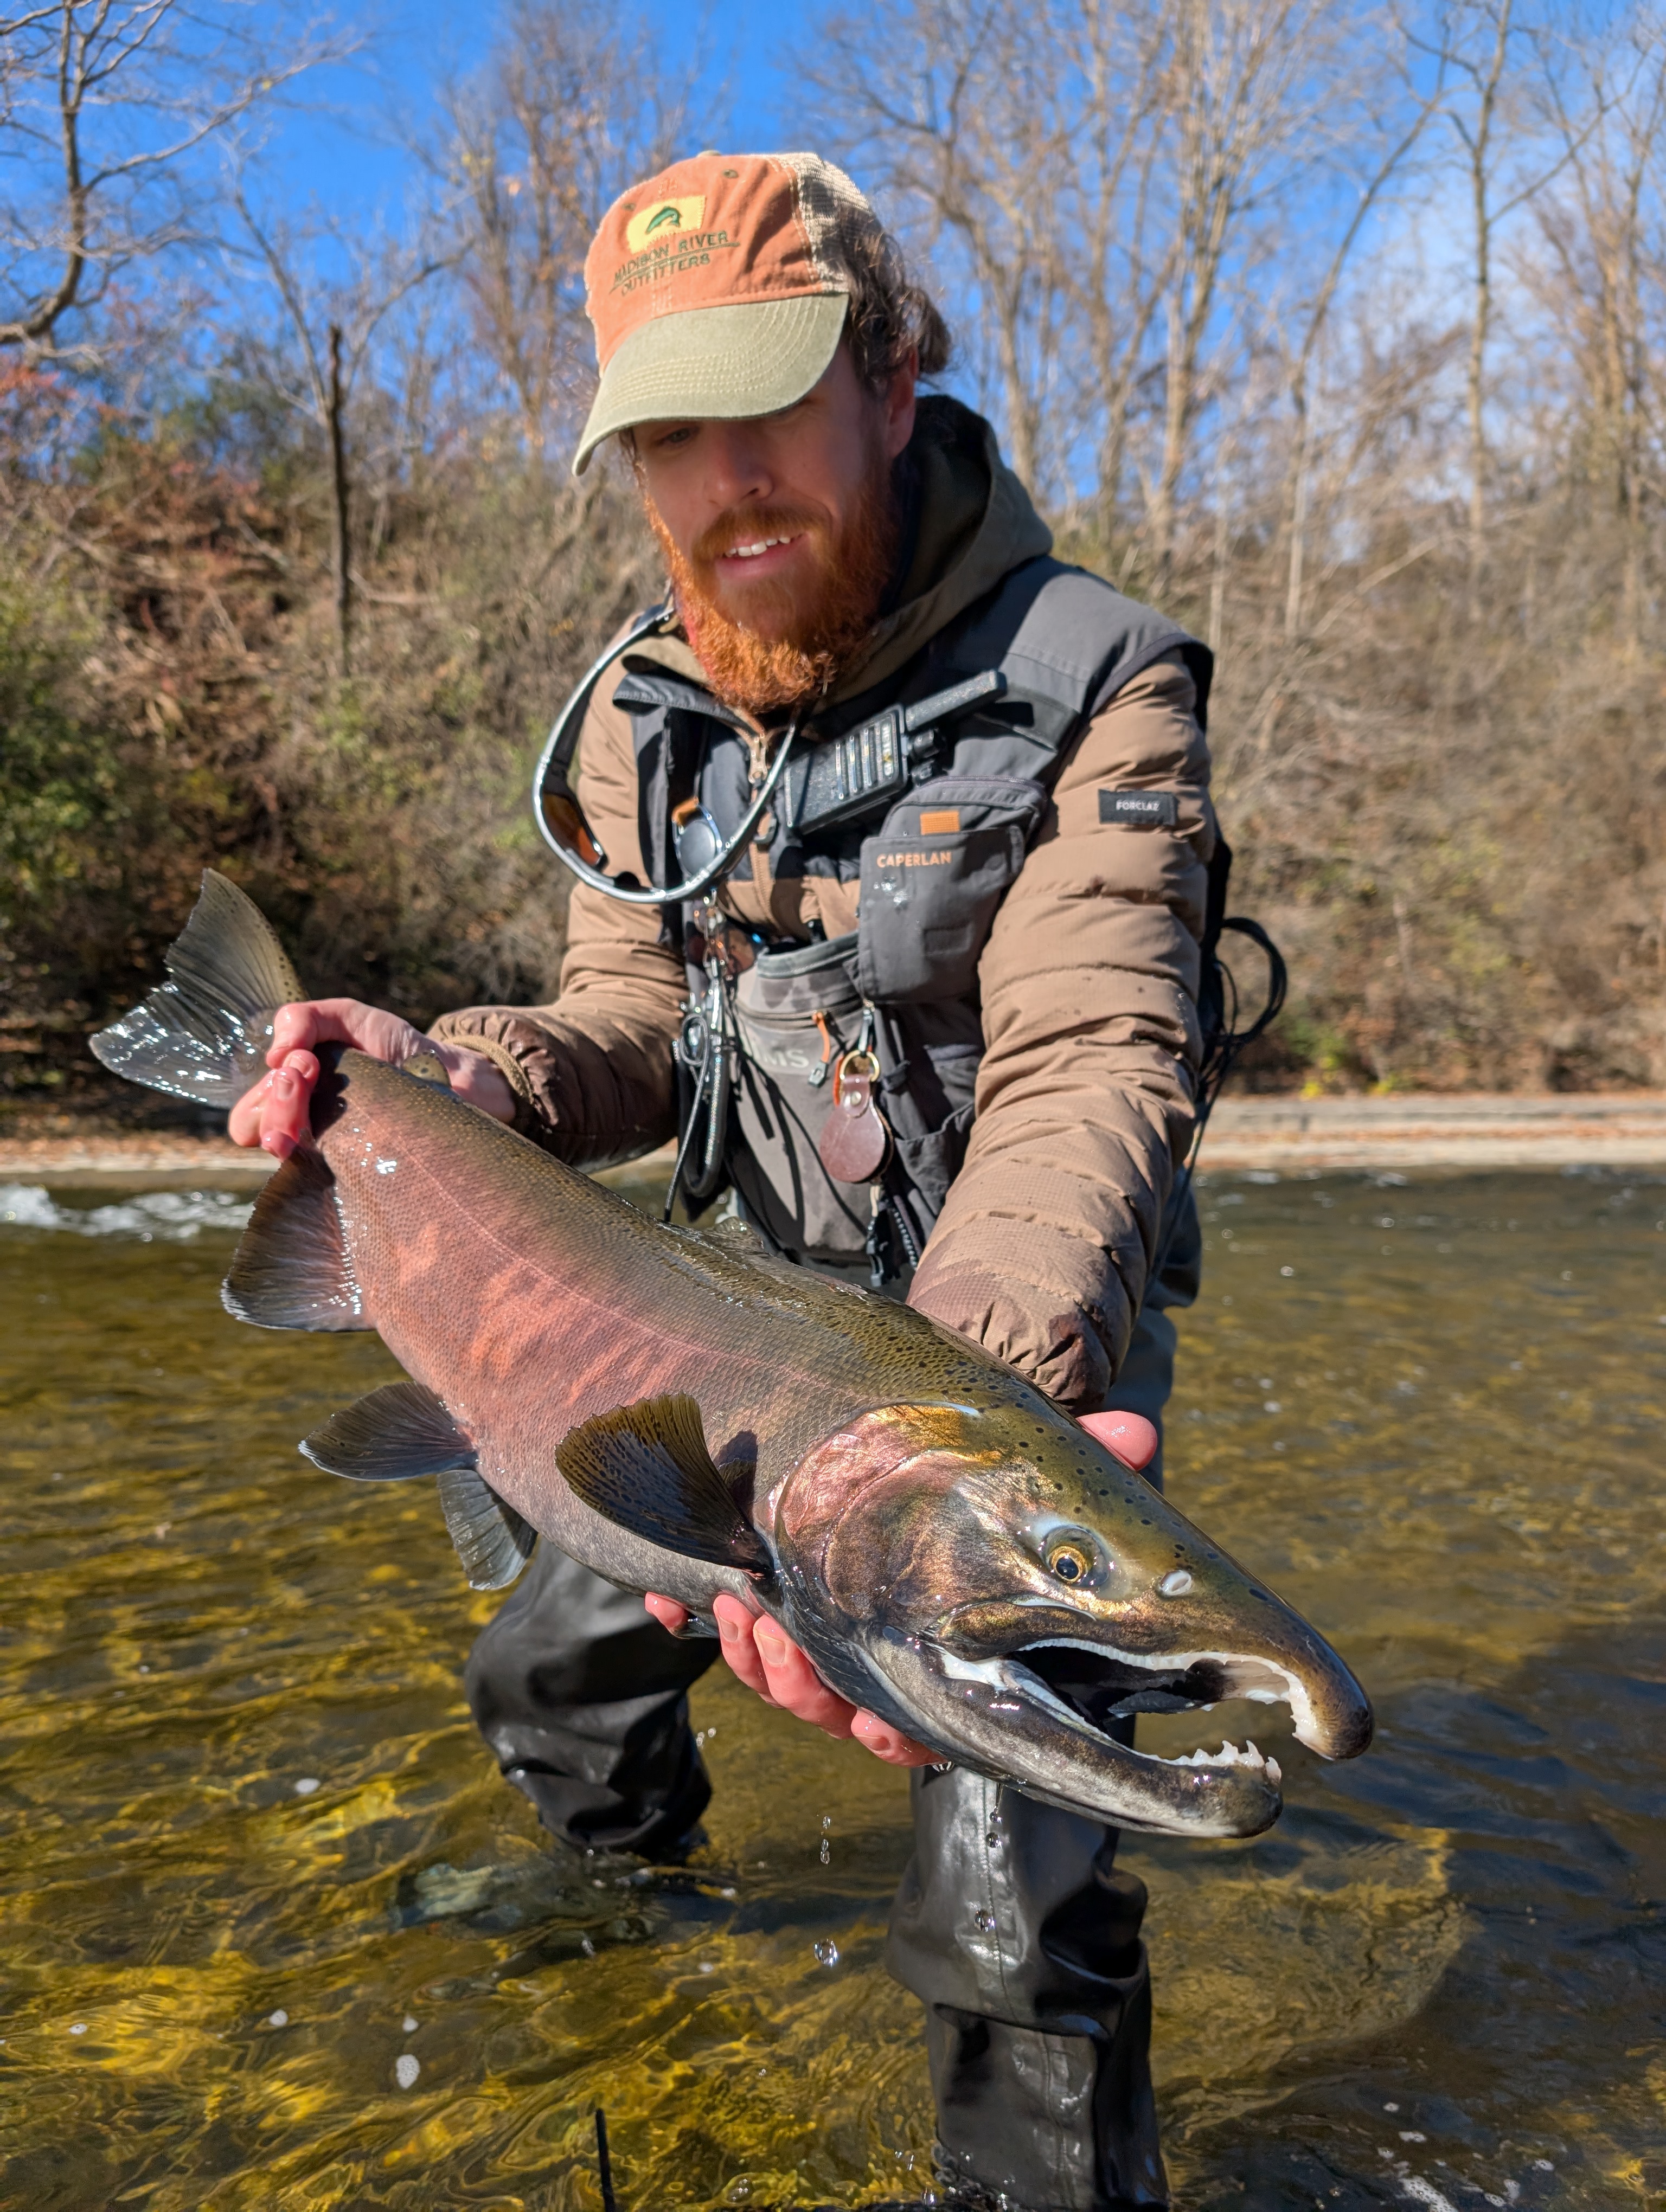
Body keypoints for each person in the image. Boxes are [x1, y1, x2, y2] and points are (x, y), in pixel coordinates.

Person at [229, 151, 1216, 2212]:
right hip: (715, 1321)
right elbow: (627, 1025)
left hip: (1001, 1357)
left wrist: (924, 1447)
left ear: (891, 376)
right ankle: (633, 1945)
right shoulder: (644, 715)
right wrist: (461, 1075)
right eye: (670, 434)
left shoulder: (1096, 676)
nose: (726, 481)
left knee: (1014, 1904)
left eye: (767, 404)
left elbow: (1092, 1056)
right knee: (547, 1671)